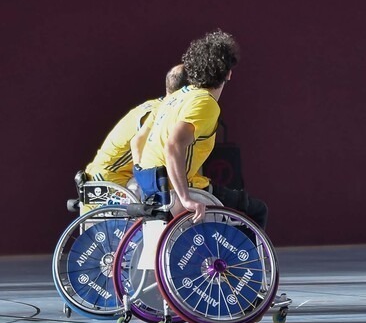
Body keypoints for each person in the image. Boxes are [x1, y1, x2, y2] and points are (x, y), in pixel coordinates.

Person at [137, 30, 269, 229]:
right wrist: (185, 198)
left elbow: (140, 141)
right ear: (228, 73)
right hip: (177, 188)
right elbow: (173, 145)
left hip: (152, 183)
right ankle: (242, 260)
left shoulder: (176, 96)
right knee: (257, 210)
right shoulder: (205, 103)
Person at [83, 64, 186, 187]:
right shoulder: (160, 114)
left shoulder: (157, 104)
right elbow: (138, 145)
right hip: (109, 180)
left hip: (115, 176)